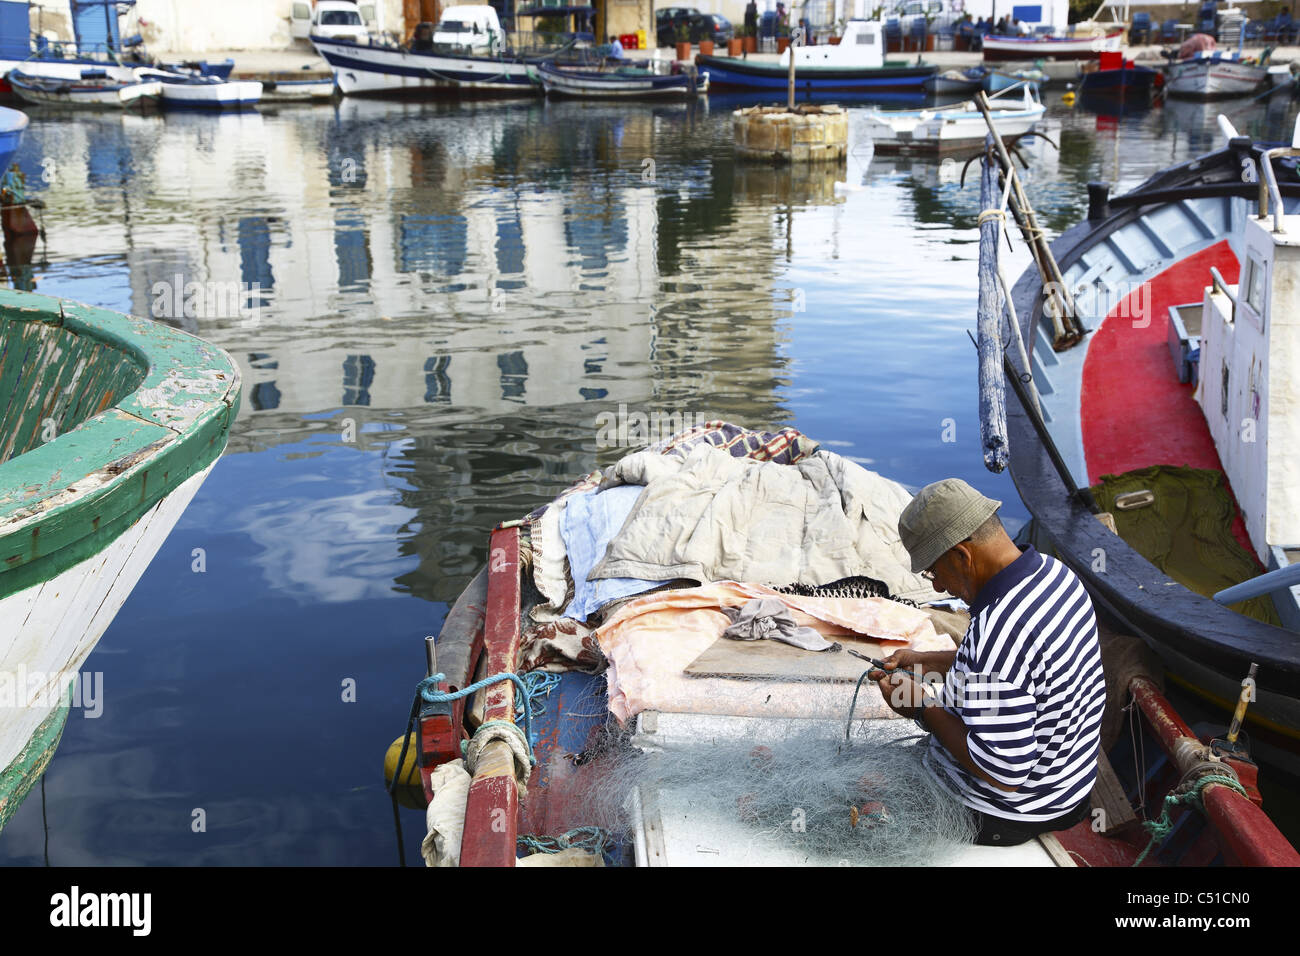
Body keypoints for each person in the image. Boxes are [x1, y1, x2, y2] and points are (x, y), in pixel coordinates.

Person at [870, 479, 1106, 846]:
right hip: (1067, 792)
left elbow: (1003, 770)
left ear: (962, 556)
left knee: (858, 803)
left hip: (1003, 812)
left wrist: (921, 707)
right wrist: (924, 661)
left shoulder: (999, 628)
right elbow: (1014, 673)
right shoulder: (1057, 576)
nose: (936, 588)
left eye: (933, 571)